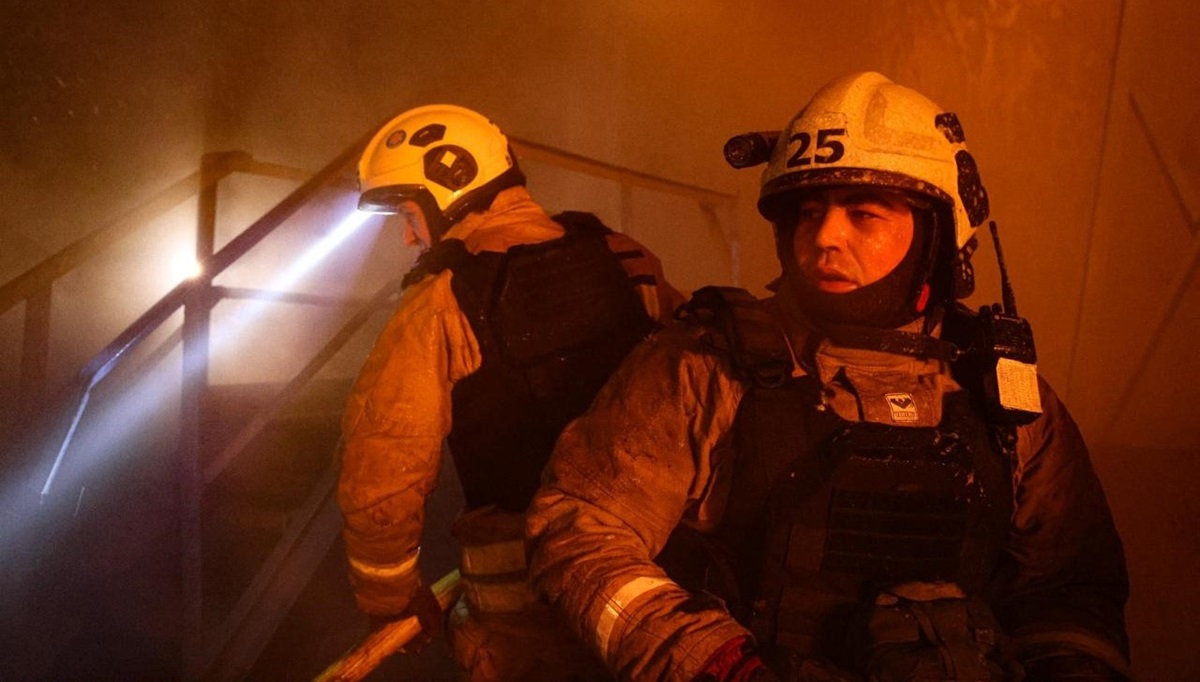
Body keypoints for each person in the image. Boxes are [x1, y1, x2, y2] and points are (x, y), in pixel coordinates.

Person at [526, 72, 1131, 681]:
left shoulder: (1004, 396)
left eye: (863, 213)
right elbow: (581, 532)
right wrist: (721, 665)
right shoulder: (704, 369)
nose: (823, 237)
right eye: (809, 212)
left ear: (938, 234)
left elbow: (1070, 585)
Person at [338, 104, 683, 680]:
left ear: (450, 189)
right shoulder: (623, 255)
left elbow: (383, 462)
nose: (408, 236)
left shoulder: (442, 298)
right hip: (653, 587)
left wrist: (390, 595)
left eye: (409, 214)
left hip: (526, 617)